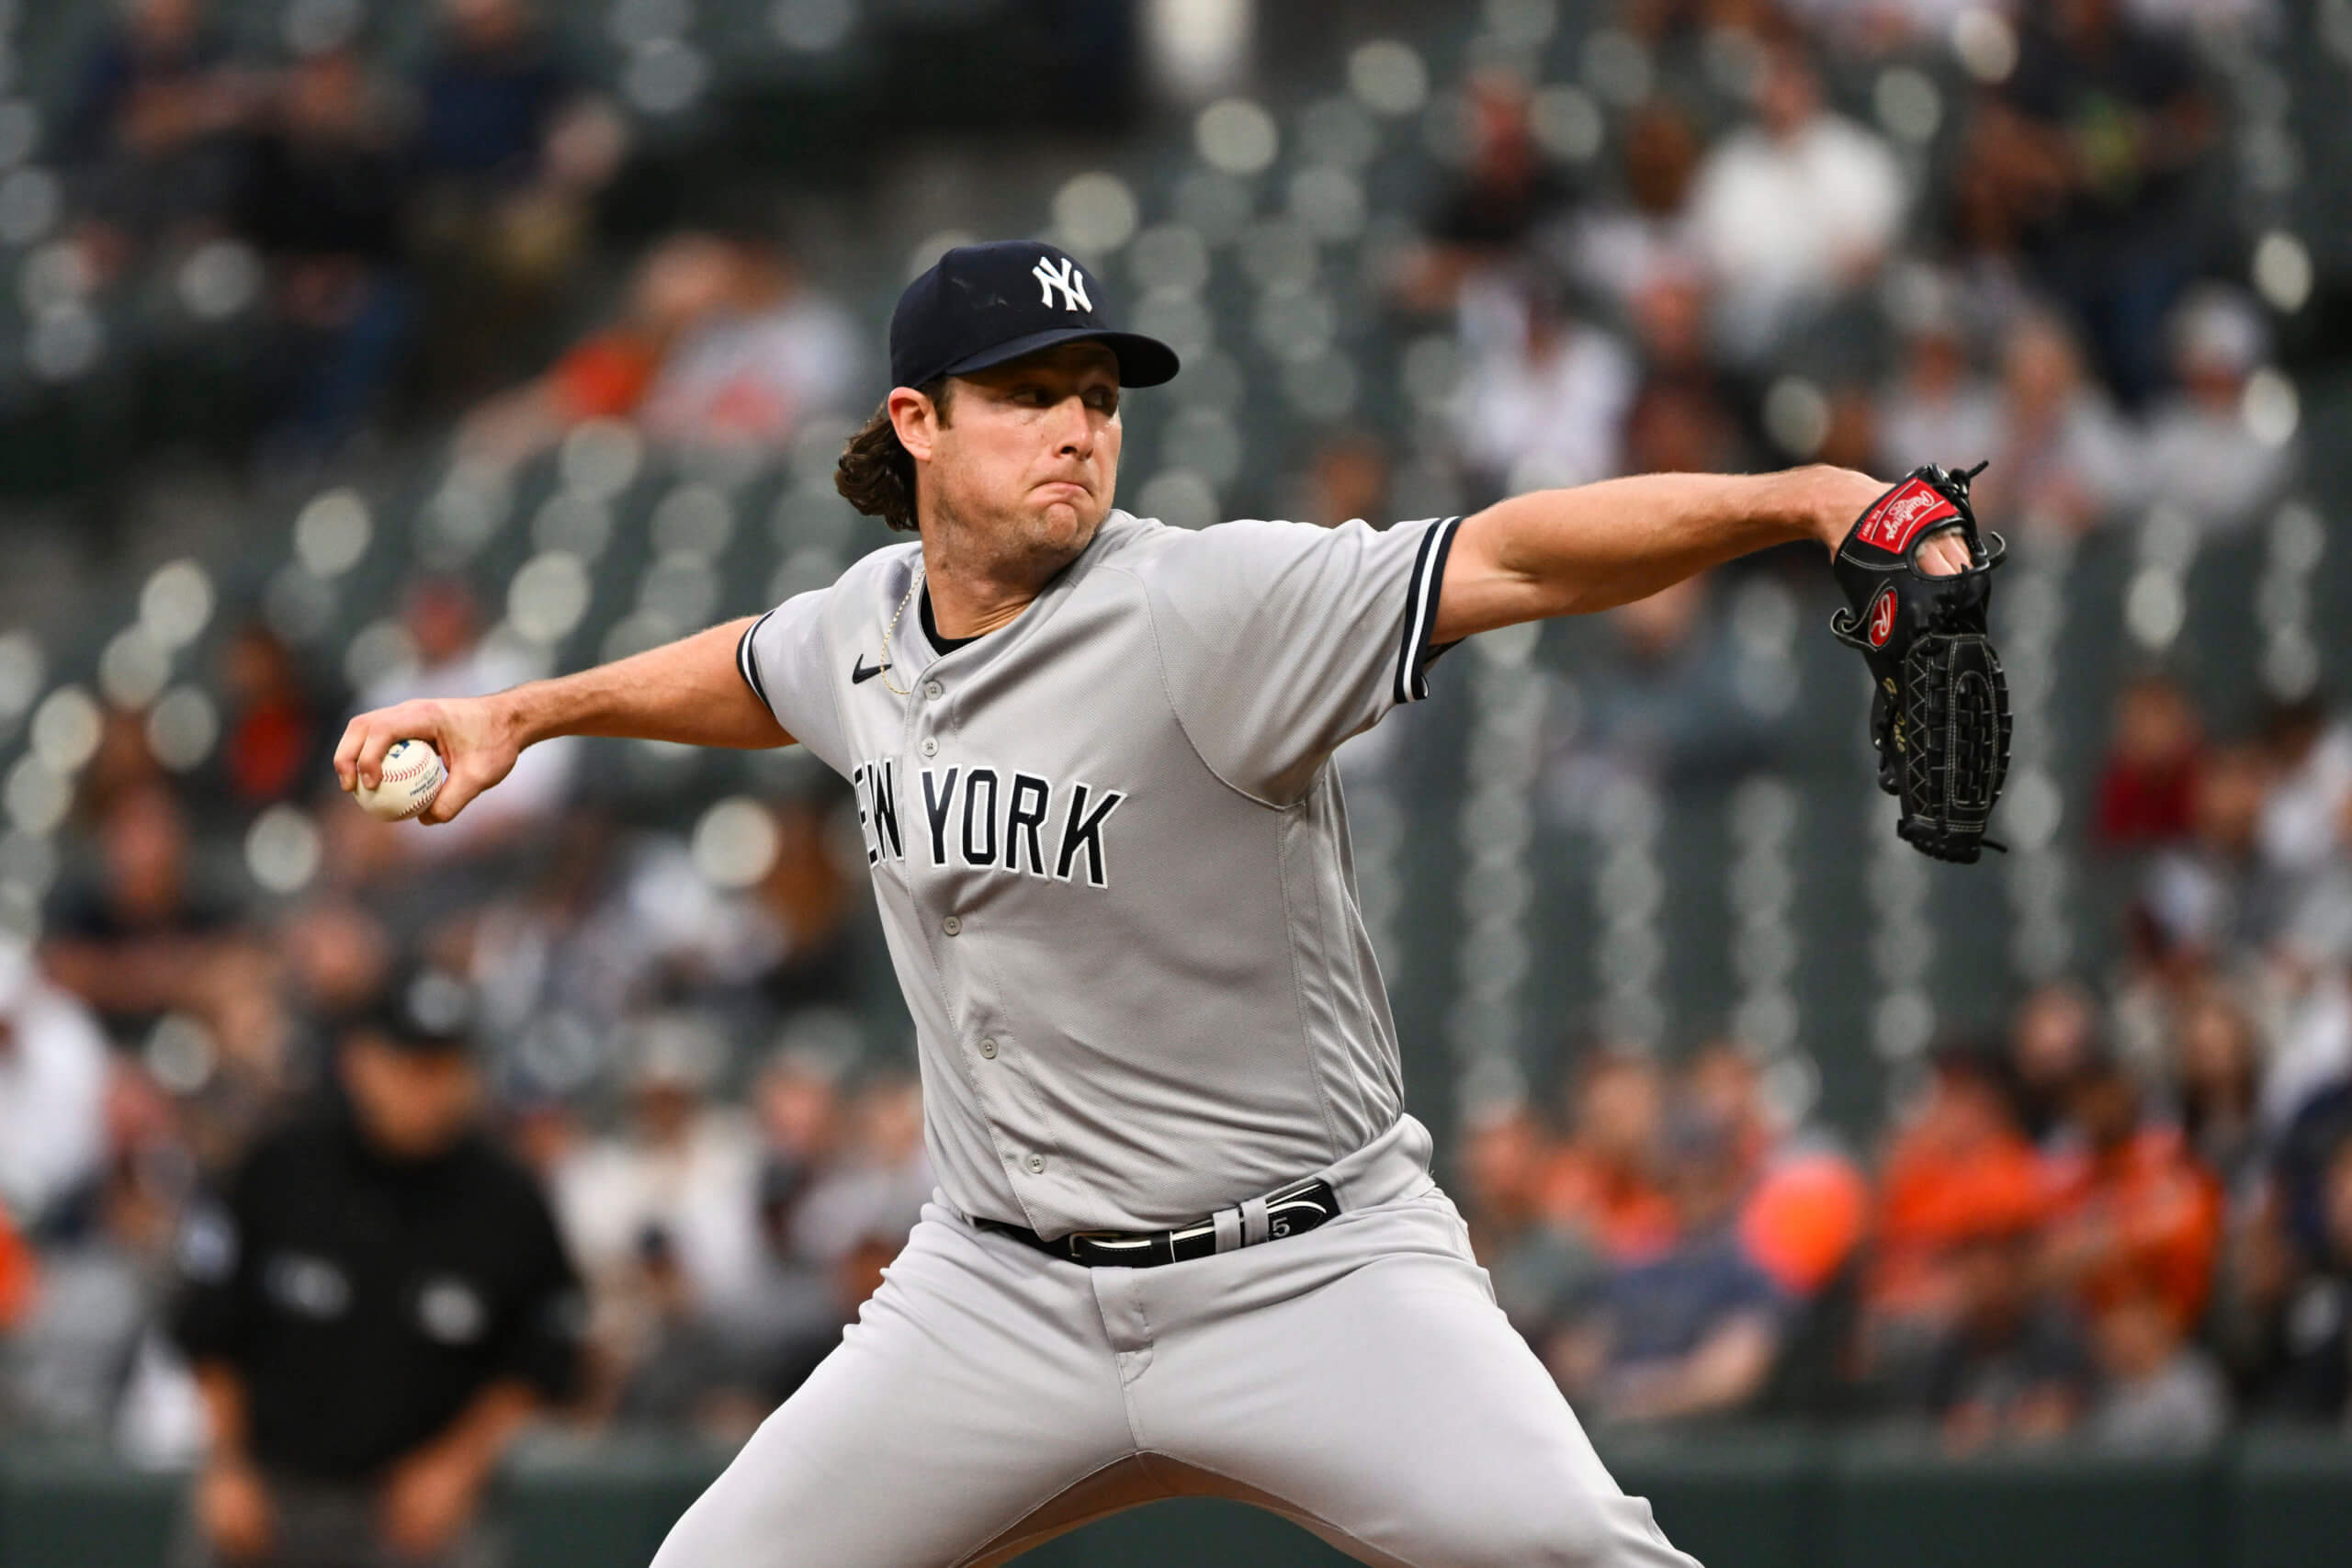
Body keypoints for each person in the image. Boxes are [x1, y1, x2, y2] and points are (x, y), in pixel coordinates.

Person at [339, 239, 1968, 1567]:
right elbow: (758, 674)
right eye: (1029, 394)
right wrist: (529, 712)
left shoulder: (1203, 604)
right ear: (916, 423)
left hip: (1308, 1269)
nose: (1078, 427)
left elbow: (1514, 557)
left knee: (1579, 1558)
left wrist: (1803, 500)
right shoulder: (862, 625)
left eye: (1099, 395)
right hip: (999, 1290)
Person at [169, 968, 582, 1568]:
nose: (430, 1086)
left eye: (446, 1066)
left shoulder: (508, 1199)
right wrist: (225, 1466)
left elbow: (542, 1354)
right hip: (273, 1494)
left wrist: (457, 1467)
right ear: (360, 1060)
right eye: (412, 1064)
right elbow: (210, 1327)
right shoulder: (281, 1168)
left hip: (418, 1513)